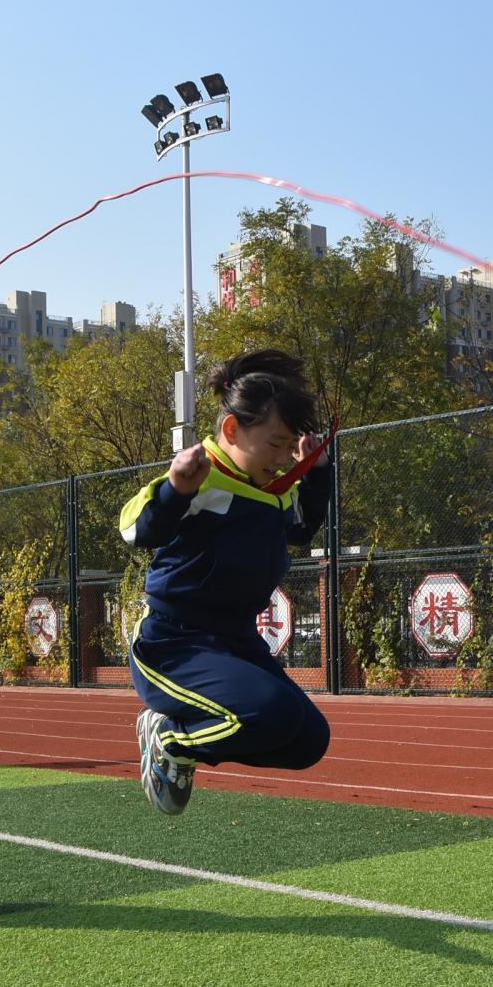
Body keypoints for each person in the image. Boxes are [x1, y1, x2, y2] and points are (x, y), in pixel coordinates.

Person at [119, 349, 332, 815]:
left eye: (289, 445)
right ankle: (170, 739)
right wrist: (175, 490)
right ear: (232, 430)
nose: (282, 457)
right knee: (272, 712)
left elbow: (302, 527)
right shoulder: (202, 477)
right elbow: (135, 529)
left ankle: (186, 737)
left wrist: (315, 473)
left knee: (310, 740)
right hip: (172, 645)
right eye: (274, 443)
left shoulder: (273, 492)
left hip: (236, 642)